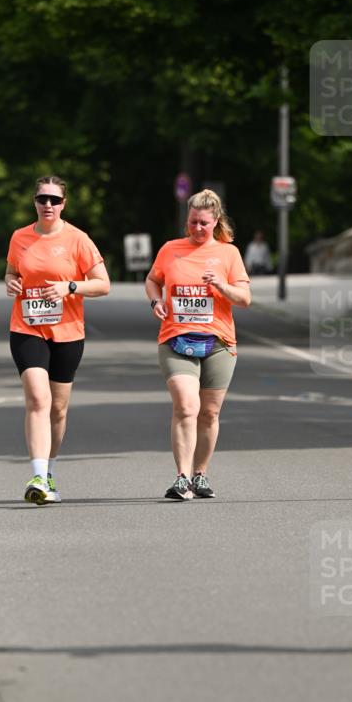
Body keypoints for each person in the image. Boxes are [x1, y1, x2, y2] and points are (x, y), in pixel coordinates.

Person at [5, 175, 110, 504]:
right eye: (42, 199)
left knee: (59, 409)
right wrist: (10, 282)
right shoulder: (20, 237)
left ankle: (48, 471)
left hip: (67, 332)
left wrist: (71, 287)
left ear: (64, 204)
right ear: (34, 202)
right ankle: (36, 474)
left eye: (54, 199)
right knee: (38, 399)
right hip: (27, 327)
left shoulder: (78, 239)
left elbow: (103, 284)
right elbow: (11, 272)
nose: (47, 205)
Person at [145, 189, 250, 500]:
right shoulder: (170, 249)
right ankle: (181, 477)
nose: (197, 229)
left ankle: (200, 474)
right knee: (186, 405)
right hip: (175, 338)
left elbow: (244, 299)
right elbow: (153, 280)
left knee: (209, 413)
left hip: (218, 341)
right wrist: (155, 302)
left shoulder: (229, 254)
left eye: (204, 223)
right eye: (192, 222)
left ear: (215, 221)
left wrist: (220, 285)